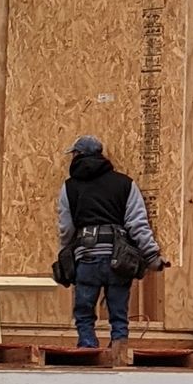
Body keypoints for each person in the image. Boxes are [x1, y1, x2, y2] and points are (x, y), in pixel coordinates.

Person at [54, 136, 165, 348]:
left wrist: (64, 255)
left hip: (86, 256)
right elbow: (137, 223)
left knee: (84, 311)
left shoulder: (69, 187)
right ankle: (119, 348)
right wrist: (152, 256)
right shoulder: (125, 184)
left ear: (77, 155)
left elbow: (66, 227)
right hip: (119, 258)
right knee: (118, 311)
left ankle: (87, 346)